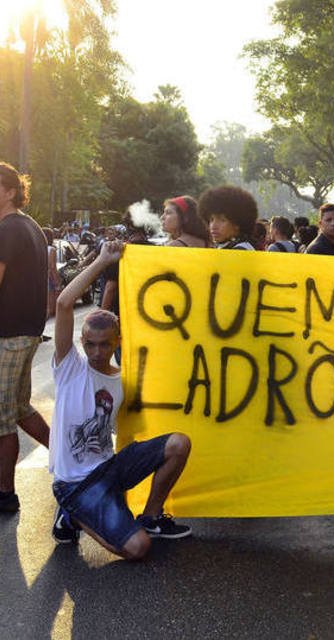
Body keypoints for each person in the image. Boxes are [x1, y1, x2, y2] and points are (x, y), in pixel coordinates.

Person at [49, 240, 192, 557]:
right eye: (90, 344)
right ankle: (71, 512)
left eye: (104, 344)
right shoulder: (70, 368)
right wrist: (102, 261)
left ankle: (152, 516)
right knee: (138, 548)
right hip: (76, 486)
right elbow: (63, 304)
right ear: (82, 342)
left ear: (118, 341)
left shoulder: (122, 379)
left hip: (110, 468)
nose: (97, 352)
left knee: (179, 443)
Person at [0, 162, 51, 513]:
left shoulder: (8, 230)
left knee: (1, 416)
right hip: (26, 332)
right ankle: (72, 458)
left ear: (9, 191)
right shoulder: (30, 226)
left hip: (9, 334)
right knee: (18, 408)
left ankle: (5, 493)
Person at [198, 185, 258, 250]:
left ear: (237, 224)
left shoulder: (241, 250)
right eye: (211, 219)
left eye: (222, 220)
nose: (213, 226)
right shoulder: (224, 246)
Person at [42, 227, 60, 319]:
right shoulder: (51, 249)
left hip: (36, 278)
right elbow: (53, 267)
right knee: (50, 307)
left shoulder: (37, 247)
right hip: (48, 278)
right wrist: (57, 282)